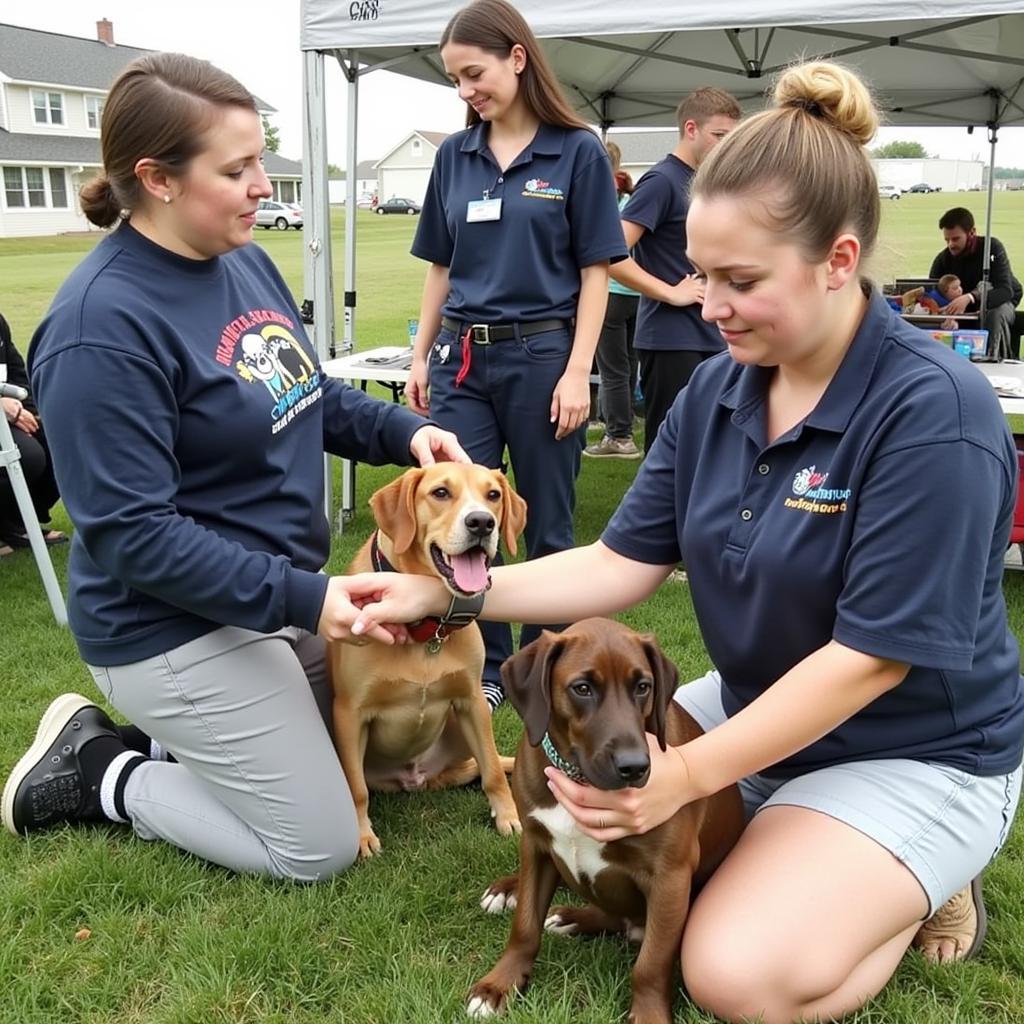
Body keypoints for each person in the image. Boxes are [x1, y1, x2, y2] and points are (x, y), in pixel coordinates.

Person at [342, 60, 1024, 1022]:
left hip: (914, 750)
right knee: (596, 801)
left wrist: (687, 776)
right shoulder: (716, 389)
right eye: (702, 273)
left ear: (837, 261)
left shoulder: (932, 414)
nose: (706, 304)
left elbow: (872, 662)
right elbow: (619, 565)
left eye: (740, 280)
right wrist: (451, 595)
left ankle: (925, 877)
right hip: (756, 713)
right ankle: (822, 852)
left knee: (733, 975)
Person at [1, 53, 468, 881]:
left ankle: (182, 741)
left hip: (269, 600)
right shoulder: (99, 328)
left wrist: (404, 432)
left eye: (262, 158)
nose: (264, 184)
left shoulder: (239, 257)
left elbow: (303, 393)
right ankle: (104, 772)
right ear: (158, 179)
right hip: (169, 628)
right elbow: (131, 536)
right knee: (316, 844)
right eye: (237, 168)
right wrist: (312, 598)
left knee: (386, 743)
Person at [403, 0, 627, 709]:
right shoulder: (454, 156)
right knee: (463, 517)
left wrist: (576, 371)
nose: (467, 91)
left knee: (545, 524)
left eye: (475, 73)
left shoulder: (578, 151)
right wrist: (418, 354)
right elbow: (439, 265)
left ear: (517, 58)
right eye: (457, 81)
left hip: (543, 357)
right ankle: (488, 670)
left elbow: (598, 270)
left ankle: (547, 667)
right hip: (462, 362)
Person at [608, 86, 740, 454]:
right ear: (691, 129)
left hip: (710, 332)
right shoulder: (662, 180)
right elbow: (609, 253)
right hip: (671, 340)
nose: (726, 145)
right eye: (719, 136)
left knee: (713, 447)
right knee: (671, 451)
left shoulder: (705, 180)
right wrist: (669, 292)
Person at [585, 142, 642, 460]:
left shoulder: (600, 203)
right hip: (638, 295)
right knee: (628, 365)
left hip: (612, 294)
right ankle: (624, 419)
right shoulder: (630, 202)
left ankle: (619, 435)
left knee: (612, 369)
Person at [0, 312, 65, 556]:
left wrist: (31, 412)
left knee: (62, 437)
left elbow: (18, 374)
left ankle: (19, 523)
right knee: (28, 456)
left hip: (8, 416)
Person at [929, 206, 1022, 358]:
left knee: (995, 314)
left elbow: (1006, 290)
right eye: (947, 240)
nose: (951, 244)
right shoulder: (942, 260)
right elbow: (934, 297)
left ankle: (994, 359)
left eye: (956, 238)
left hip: (1001, 301)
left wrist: (970, 297)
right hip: (965, 310)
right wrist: (946, 317)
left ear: (972, 232)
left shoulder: (992, 248)